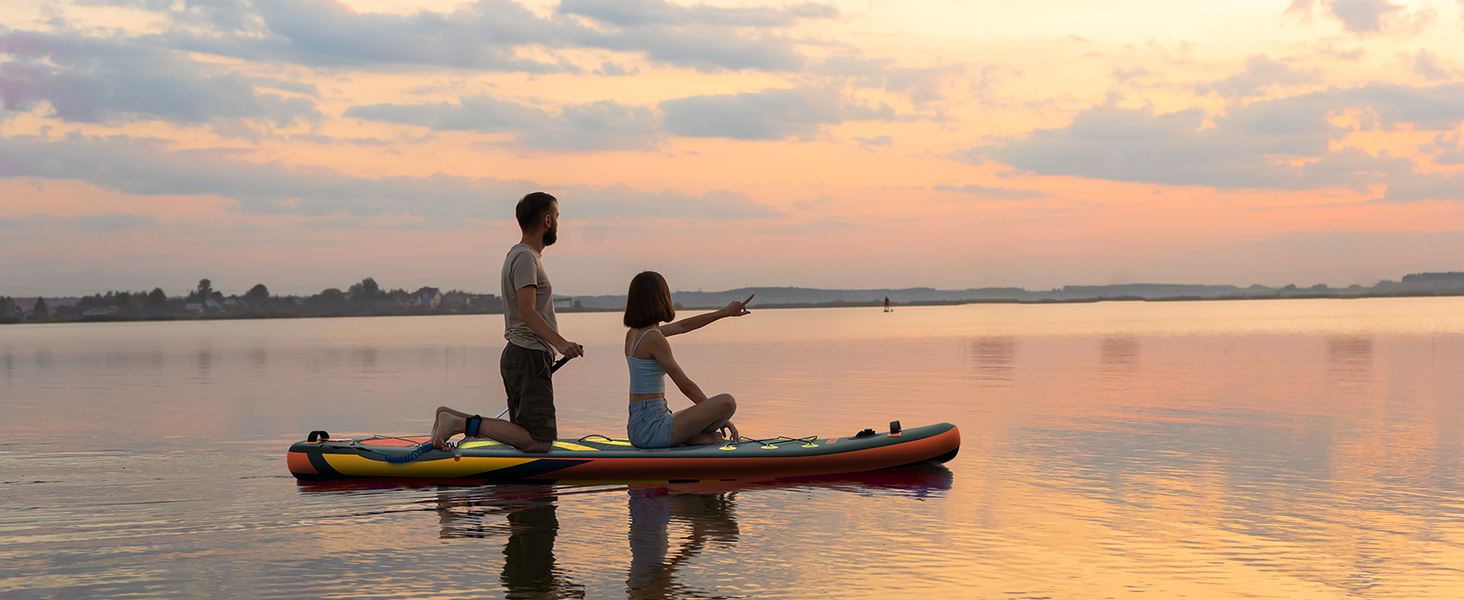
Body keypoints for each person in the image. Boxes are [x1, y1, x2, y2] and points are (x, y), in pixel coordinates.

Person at [431, 191, 584, 453]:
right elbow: (527, 312)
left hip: (524, 355)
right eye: (557, 216)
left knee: (525, 435)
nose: (558, 222)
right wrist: (561, 343)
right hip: (528, 355)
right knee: (539, 441)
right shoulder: (525, 258)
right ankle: (457, 422)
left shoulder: (520, 255)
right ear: (547, 220)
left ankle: (450, 417)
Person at [623, 271, 752, 448]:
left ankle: (690, 437)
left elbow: (682, 326)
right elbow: (686, 386)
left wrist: (723, 313)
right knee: (727, 402)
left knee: (714, 410)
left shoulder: (634, 334)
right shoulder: (654, 338)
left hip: (640, 425)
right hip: (651, 429)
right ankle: (691, 437)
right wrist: (718, 417)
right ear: (661, 298)